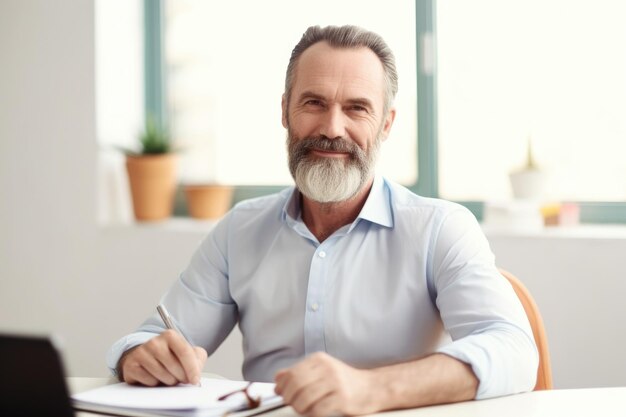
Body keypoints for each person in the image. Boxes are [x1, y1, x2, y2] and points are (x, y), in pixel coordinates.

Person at [107, 25, 538, 417]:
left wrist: (371, 389)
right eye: (314, 103)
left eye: (357, 108)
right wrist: (140, 357)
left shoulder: (440, 229)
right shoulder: (239, 231)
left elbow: (514, 351)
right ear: (285, 111)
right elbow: (149, 339)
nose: (332, 128)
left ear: (386, 124)